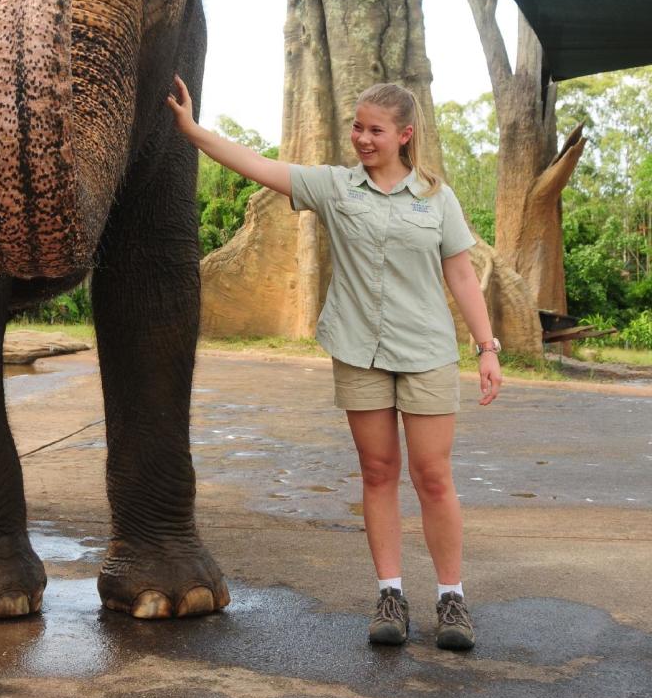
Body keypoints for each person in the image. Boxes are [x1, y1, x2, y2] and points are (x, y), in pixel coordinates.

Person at [167, 75, 503, 651]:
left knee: (433, 477)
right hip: (359, 348)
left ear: (404, 135)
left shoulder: (436, 197)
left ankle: (452, 599)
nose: (363, 139)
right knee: (377, 472)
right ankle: (390, 594)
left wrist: (487, 346)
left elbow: (462, 274)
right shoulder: (334, 188)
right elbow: (257, 165)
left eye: (375, 130)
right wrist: (193, 131)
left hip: (425, 351)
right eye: (358, 127)